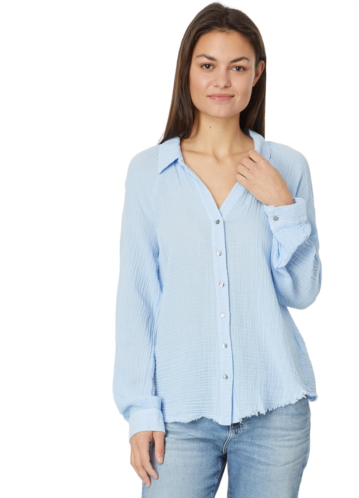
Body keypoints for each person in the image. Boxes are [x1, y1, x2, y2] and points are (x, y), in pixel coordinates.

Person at [113, 3, 322, 497]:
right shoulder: (149, 173)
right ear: (187, 70)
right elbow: (138, 299)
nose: (222, 80)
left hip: (275, 411)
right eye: (208, 65)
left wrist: (282, 205)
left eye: (238, 67)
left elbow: (302, 291)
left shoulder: (287, 167)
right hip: (178, 415)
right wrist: (141, 409)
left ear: (258, 74)